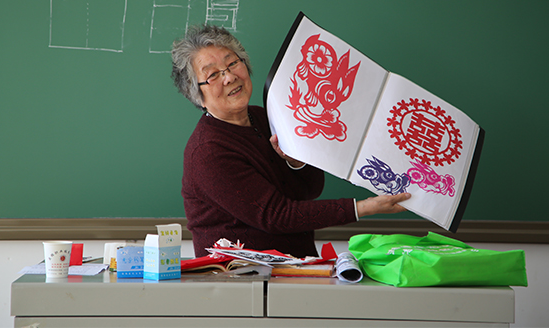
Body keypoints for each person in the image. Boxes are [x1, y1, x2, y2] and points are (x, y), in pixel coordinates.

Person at [171, 25, 410, 258]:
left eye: (232, 63)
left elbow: (310, 190)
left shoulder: (265, 116)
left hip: (295, 267)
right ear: (197, 95)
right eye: (213, 75)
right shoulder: (208, 151)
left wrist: (296, 163)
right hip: (240, 276)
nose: (230, 77)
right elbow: (276, 216)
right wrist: (364, 207)